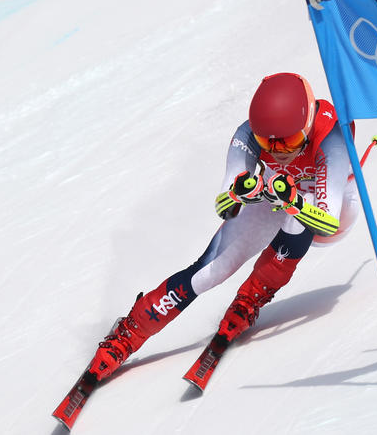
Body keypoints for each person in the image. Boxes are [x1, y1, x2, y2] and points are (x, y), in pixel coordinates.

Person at [87, 72, 360, 381]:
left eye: (291, 141)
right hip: (280, 195)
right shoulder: (247, 135)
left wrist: (293, 199)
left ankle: (250, 298)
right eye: (268, 143)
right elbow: (224, 208)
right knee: (210, 270)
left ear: (308, 123)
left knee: (297, 216)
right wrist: (238, 193)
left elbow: (328, 222)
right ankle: (131, 330)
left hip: (334, 207)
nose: (281, 151)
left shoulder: (332, 137)